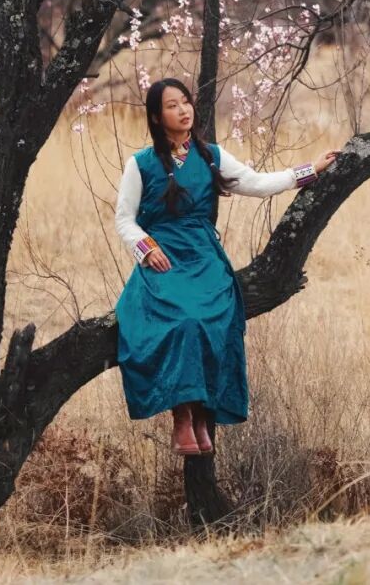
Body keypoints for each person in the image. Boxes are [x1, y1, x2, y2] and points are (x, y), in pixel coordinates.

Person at [114, 77, 340, 454]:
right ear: (156, 117)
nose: (183, 110)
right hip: (165, 259)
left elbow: (258, 183)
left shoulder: (211, 156)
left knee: (217, 323)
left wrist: (309, 171)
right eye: (172, 105)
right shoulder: (140, 164)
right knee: (183, 322)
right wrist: (144, 246)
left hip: (204, 259)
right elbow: (124, 218)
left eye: (185, 102)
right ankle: (182, 417)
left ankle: (204, 417)